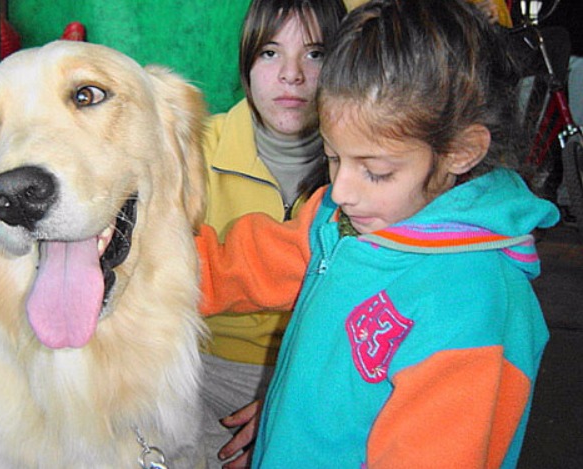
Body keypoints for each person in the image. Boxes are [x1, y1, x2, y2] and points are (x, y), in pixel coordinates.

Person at [196, 0, 560, 466]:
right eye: (333, 157)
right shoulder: (347, 217)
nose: (341, 190)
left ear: (461, 152)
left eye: (377, 171)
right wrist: (139, 270)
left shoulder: (473, 311)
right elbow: (241, 264)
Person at [199, 0, 345, 467]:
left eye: (316, 53)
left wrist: (291, 402)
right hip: (196, 369)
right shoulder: (192, 149)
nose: (292, 74)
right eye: (270, 53)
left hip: (323, 375)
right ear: (246, 62)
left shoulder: (374, 166)